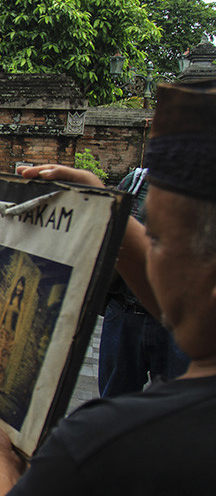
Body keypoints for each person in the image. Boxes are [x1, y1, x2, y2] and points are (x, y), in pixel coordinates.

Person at [0, 77, 216, 496]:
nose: (149, 252)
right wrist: (100, 204)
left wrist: (0, 462)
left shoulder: (115, 444)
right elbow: (188, 298)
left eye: (155, 237)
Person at [97, 167, 188, 397]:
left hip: (176, 322)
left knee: (174, 406)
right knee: (113, 403)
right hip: (125, 312)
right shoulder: (136, 183)